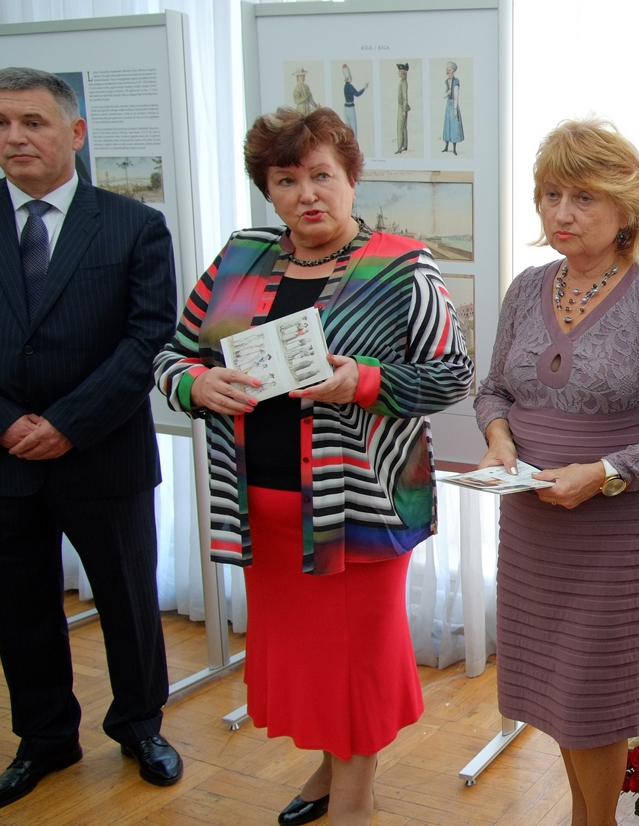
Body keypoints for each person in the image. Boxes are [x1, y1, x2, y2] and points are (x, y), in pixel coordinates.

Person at [153, 106, 472, 826]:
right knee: (311, 659)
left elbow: (452, 375)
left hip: (361, 508)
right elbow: (173, 355)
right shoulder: (240, 258)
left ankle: (355, 801)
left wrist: (360, 380)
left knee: (356, 659)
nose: (307, 195)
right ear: (268, 190)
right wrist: (195, 385)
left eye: (322, 175)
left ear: (352, 178)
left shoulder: (401, 266)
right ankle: (330, 772)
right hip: (261, 510)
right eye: (286, 180)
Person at [0, 67, 183, 816]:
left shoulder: (133, 224)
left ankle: (140, 725)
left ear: (75, 133)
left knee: (127, 599)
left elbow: (147, 336)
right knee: (19, 607)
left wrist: (67, 424)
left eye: (32, 122)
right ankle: (45, 740)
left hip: (103, 453)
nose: (14, 137)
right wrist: (0, 422)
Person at [474, 117, 639, 826]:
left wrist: (607, 471)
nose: (562, 212)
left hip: (614, 532)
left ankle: (597, 821)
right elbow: (492, 391)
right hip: (532, 528)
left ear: (625, 208)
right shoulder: (526, 288)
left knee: (593, 695)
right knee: (557, 691)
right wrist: (499, 440)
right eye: (551, 194)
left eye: (583, 196)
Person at [441, 62, 464, 155]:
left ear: (453, 71)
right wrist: (448, 92)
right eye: (447, 70)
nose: (447, 71)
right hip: (448, 106)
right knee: (447, 126)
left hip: (453, 105)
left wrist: (455, 109)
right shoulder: (446, 81)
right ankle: (446, 147)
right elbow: (443, 96)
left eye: (449, 70)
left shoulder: (456, 81)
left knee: (454, 126)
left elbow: (456, 96)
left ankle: (454, 149)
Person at [340, 64, 368, 135]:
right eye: (350, 77)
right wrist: (364, 88)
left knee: (348, 129)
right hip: (350, 108)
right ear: (348, 78)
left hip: (345, 108)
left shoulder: (345, 86)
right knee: (353, 129)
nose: (351, 78)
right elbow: (357, 94)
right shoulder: (349, 86)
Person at [394, 63, 409, 154]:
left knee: (400, 127)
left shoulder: (403, 83)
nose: (398, 72)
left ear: (403, 72)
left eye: (399, 71)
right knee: (404, 127)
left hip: (402, 107)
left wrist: (403, 110)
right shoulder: (403, 82)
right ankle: (405, 146)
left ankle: (400, 148)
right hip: (403, 106)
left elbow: (405, 97)